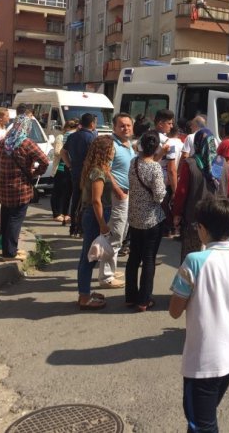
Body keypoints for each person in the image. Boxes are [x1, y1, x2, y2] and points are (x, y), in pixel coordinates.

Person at [169, 197, 229, 433]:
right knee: (202, 418)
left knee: (201, 423)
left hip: (203, 360)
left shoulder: (193, 262)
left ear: (201, 229)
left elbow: (174, 311)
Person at [0, 115, 49, 260]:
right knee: (15, 220)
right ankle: (9, 253)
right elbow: (45, 161)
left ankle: (8, 249)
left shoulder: (3, 143)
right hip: (21, 190)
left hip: (4, 189)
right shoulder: (27, 143)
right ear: (26, 128)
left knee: (6, 218)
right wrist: (36, 173)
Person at [172, 128, 229, 262]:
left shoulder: (190, 163)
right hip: (220, 217)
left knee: (192, 258)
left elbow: (182, 192)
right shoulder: (223, 163)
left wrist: (177, 213)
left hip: (195, 220)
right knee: (215, 260)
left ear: (197, 143)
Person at [125, 131, 166, 311]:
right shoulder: (155, 168)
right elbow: (159, 195)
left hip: (134, 218)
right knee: (148, 258)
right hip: (151, 219)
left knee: (134, 257)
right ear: (156, 147)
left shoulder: (134, 163)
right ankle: (144, 299)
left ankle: (130, 296)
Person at [76, 135, 116, 309]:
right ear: (106, 151)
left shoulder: (94, 168)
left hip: (92, 215)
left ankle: (85, 292)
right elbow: (96, 200)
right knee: (89, 256)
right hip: (94, 216)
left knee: (89, 255)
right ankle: (84, 297)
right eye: (112, 149)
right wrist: (103, 224)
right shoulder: (98, 171)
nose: (114, 152)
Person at [102, 112, 135, 287]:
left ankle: (111, 271)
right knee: (114, 235)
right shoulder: (111, 145)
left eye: (128, 125)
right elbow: (105, 169)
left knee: (121, 235)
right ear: (114, 127)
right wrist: (117, 190)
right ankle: (106, 277)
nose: (126, 128)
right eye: (122, 125)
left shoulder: (128, 144)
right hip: (118, 196)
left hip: (127, 195)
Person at [61, 113, 98, 237]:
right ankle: (81, 228)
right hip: (88, 173)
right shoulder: (92, 138)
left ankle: (73, 227)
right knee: (86, 201)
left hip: (75, 171)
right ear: (92, 123)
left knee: (75, 198)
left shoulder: (72, 136)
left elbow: (63, 152)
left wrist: (70, 165)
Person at [50, 119, 78, 223]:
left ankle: (65, 213)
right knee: (58, 192)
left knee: (67, 192)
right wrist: (66, 152)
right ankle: (56, 213)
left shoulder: (74, 137)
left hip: (69, 168)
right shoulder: (61, 137)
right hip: (60, 168)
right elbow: (57, 152)